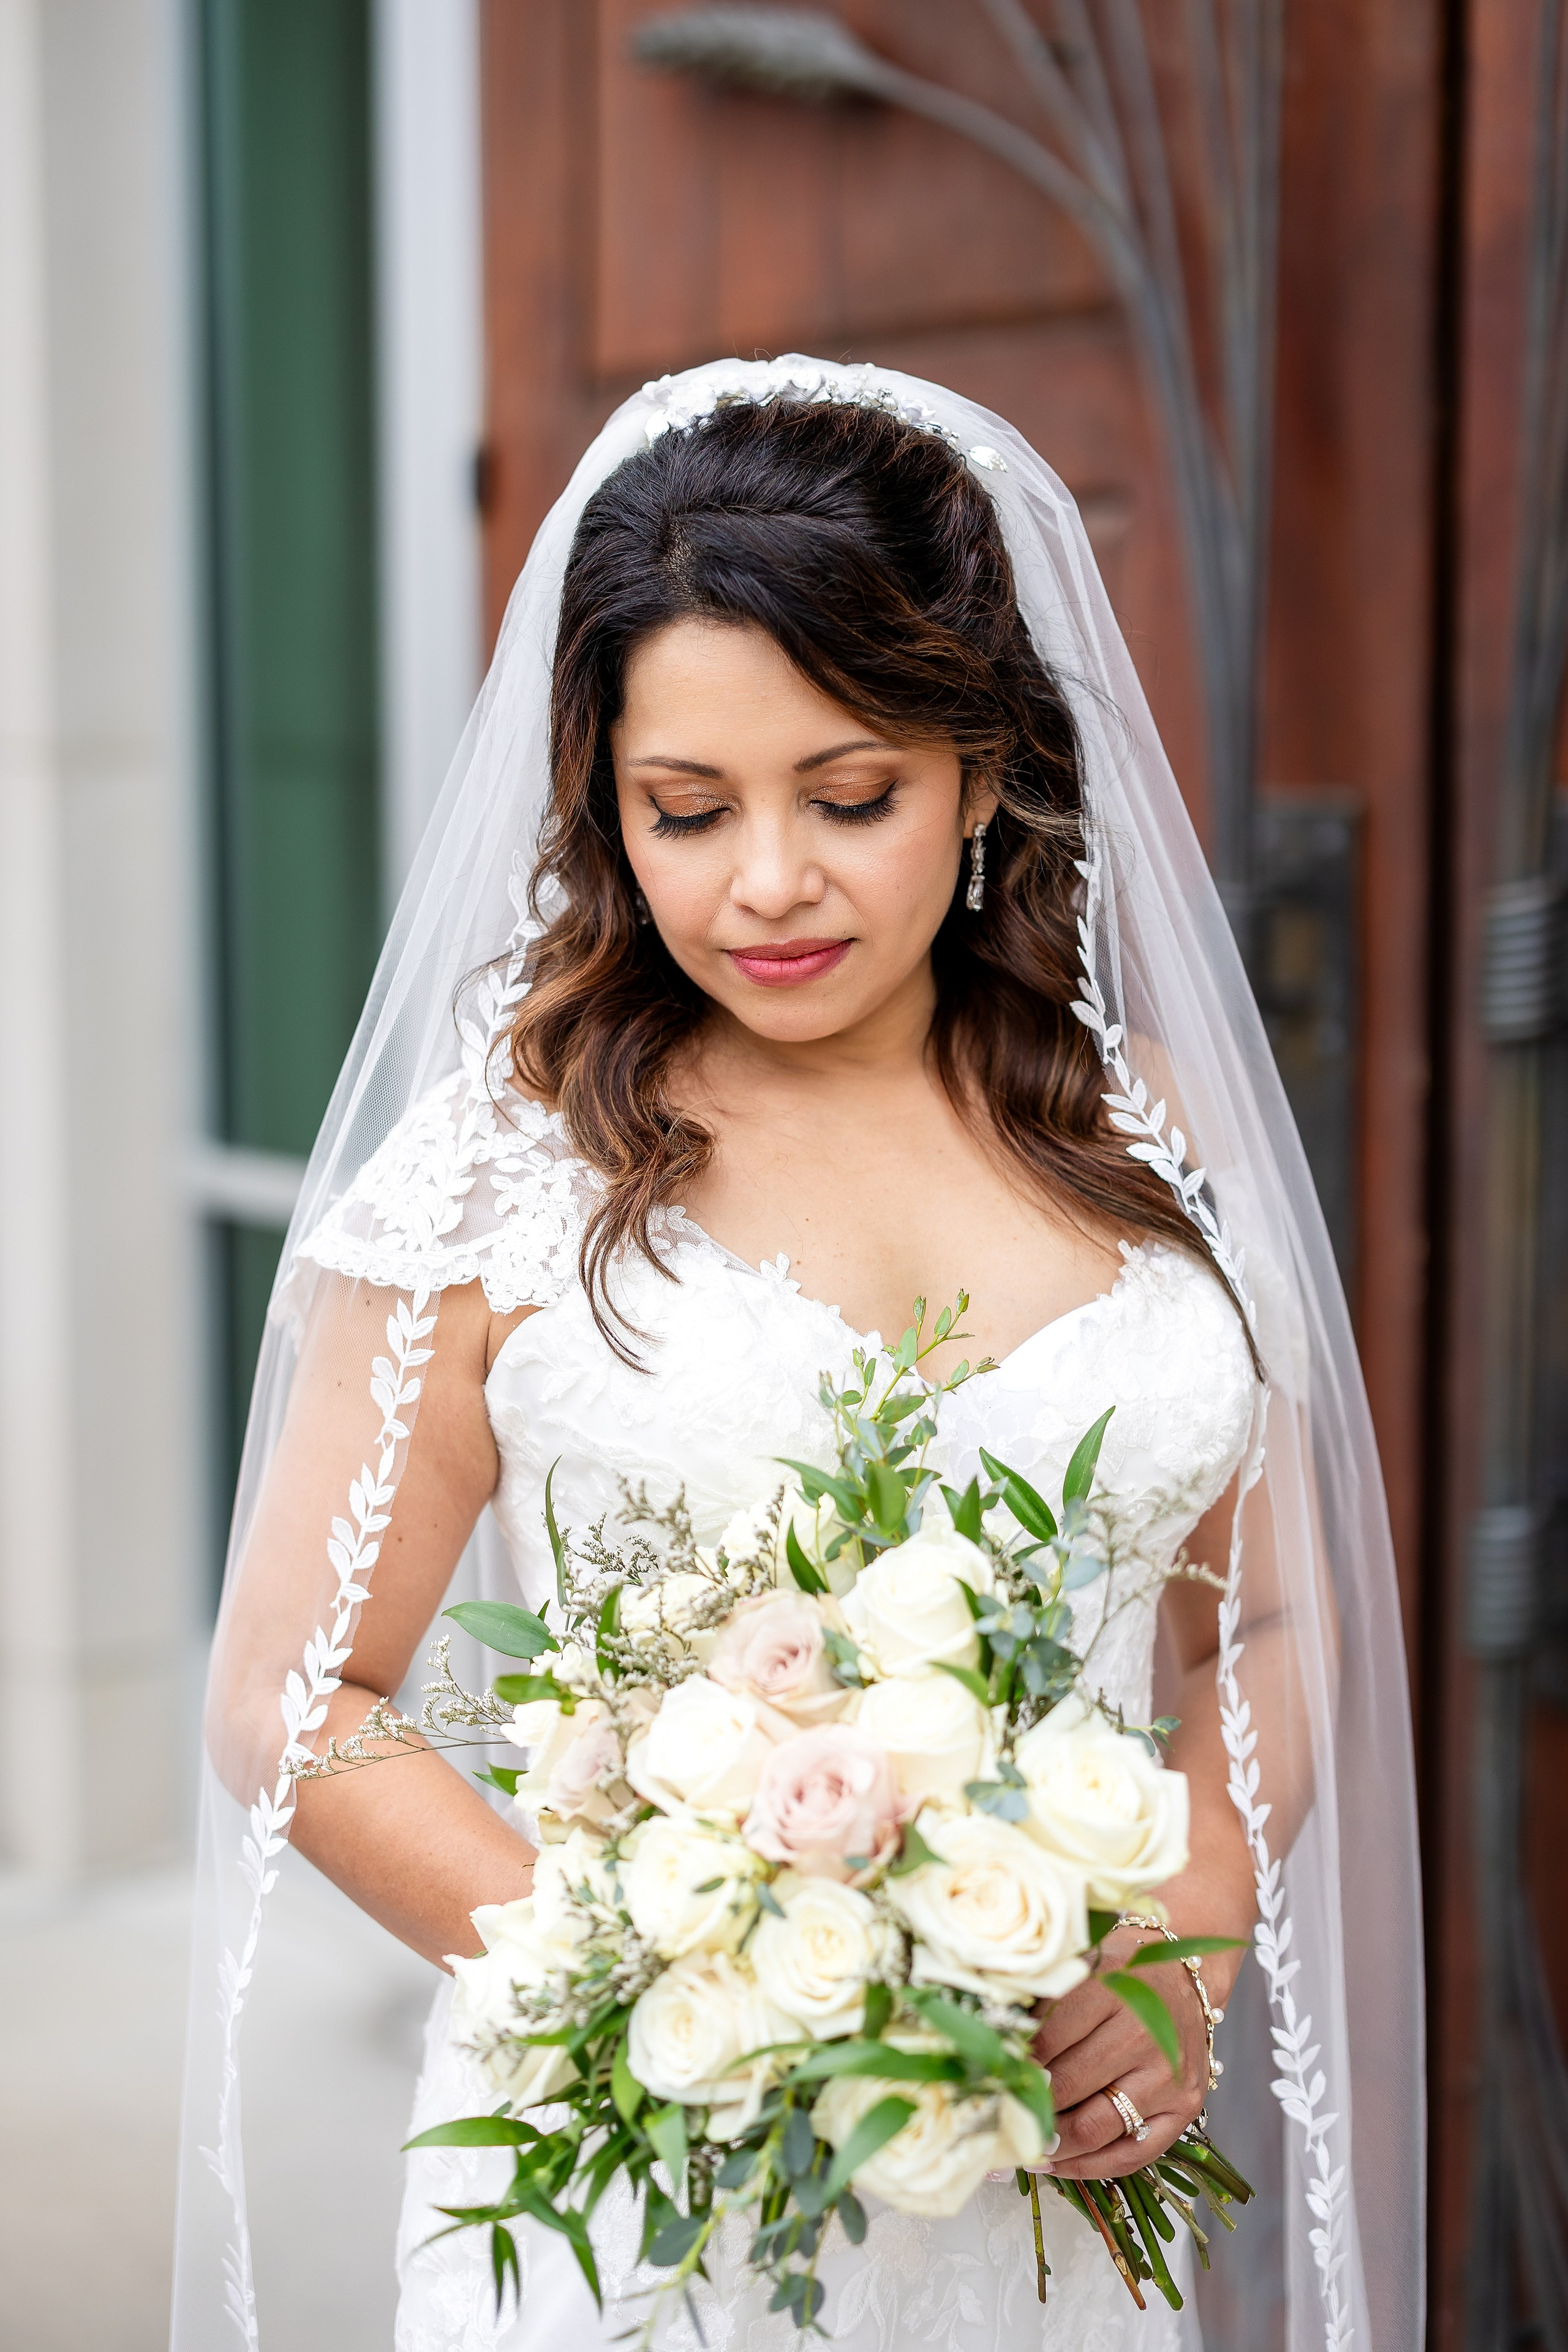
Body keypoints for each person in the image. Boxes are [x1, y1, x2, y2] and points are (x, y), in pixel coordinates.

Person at [174, 360, 1422, 2352]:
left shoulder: (1156, 1136)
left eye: (850, 798)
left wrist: (1175, 1959)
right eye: (686, 809)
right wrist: (687, 1990)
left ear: (986, 770)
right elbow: (293, 1693)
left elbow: (1266, 1630)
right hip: (644, 2190)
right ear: (603, 798)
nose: (766, 882)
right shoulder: (503, 1166)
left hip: (1048, 2189)